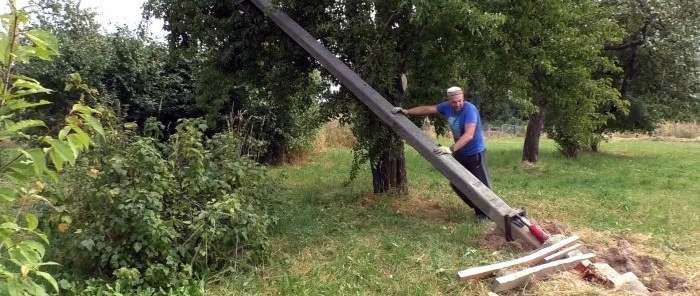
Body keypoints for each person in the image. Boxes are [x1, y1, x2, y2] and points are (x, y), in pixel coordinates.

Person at [392, 86, 492, 220]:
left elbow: (469, 135)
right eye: (454, 102)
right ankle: (478, 209)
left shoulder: (470, 110)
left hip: (475, 153)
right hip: (460, 152)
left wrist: (450, 149)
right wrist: (406, 111)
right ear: (449, 101)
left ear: (463, 99)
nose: (457, 104)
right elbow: (427, 109)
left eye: (460, 101)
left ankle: (488, 214)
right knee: (457, 182)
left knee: (481, 185)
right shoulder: (446, 107)